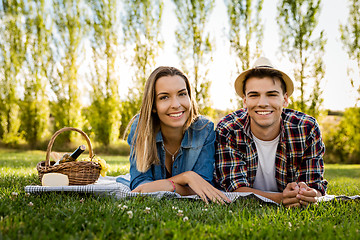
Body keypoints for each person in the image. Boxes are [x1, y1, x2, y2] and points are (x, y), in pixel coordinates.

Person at [214, 57, 328, 207]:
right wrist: (282, 198)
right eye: (254, 95)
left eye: (272, 94)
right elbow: (234, 189)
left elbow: (314, 184)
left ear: (285, 99)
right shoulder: (228, 129)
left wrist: (307, 194)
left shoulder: (307, 128)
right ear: (245, 101)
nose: (263, 103)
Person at [126, 66, 230, 204]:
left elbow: (204, 186)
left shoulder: (204, 129)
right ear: (153, 106)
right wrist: (186, 178)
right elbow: (140, 186)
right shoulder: (141, 128)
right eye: (164, 97)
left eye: (182, 94)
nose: (176, 104)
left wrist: (168, 185)